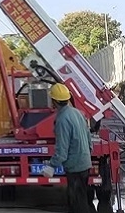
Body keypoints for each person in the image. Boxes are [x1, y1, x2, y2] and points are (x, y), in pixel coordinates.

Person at [42, 83, 94, 213]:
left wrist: (51, 166)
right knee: (83, 198)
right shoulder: (78, 113)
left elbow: (62, 150)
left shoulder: (62, 119)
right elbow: (89, 138)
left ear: (54, 101)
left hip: (74, 167)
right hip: (85, 163)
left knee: (77, 203)